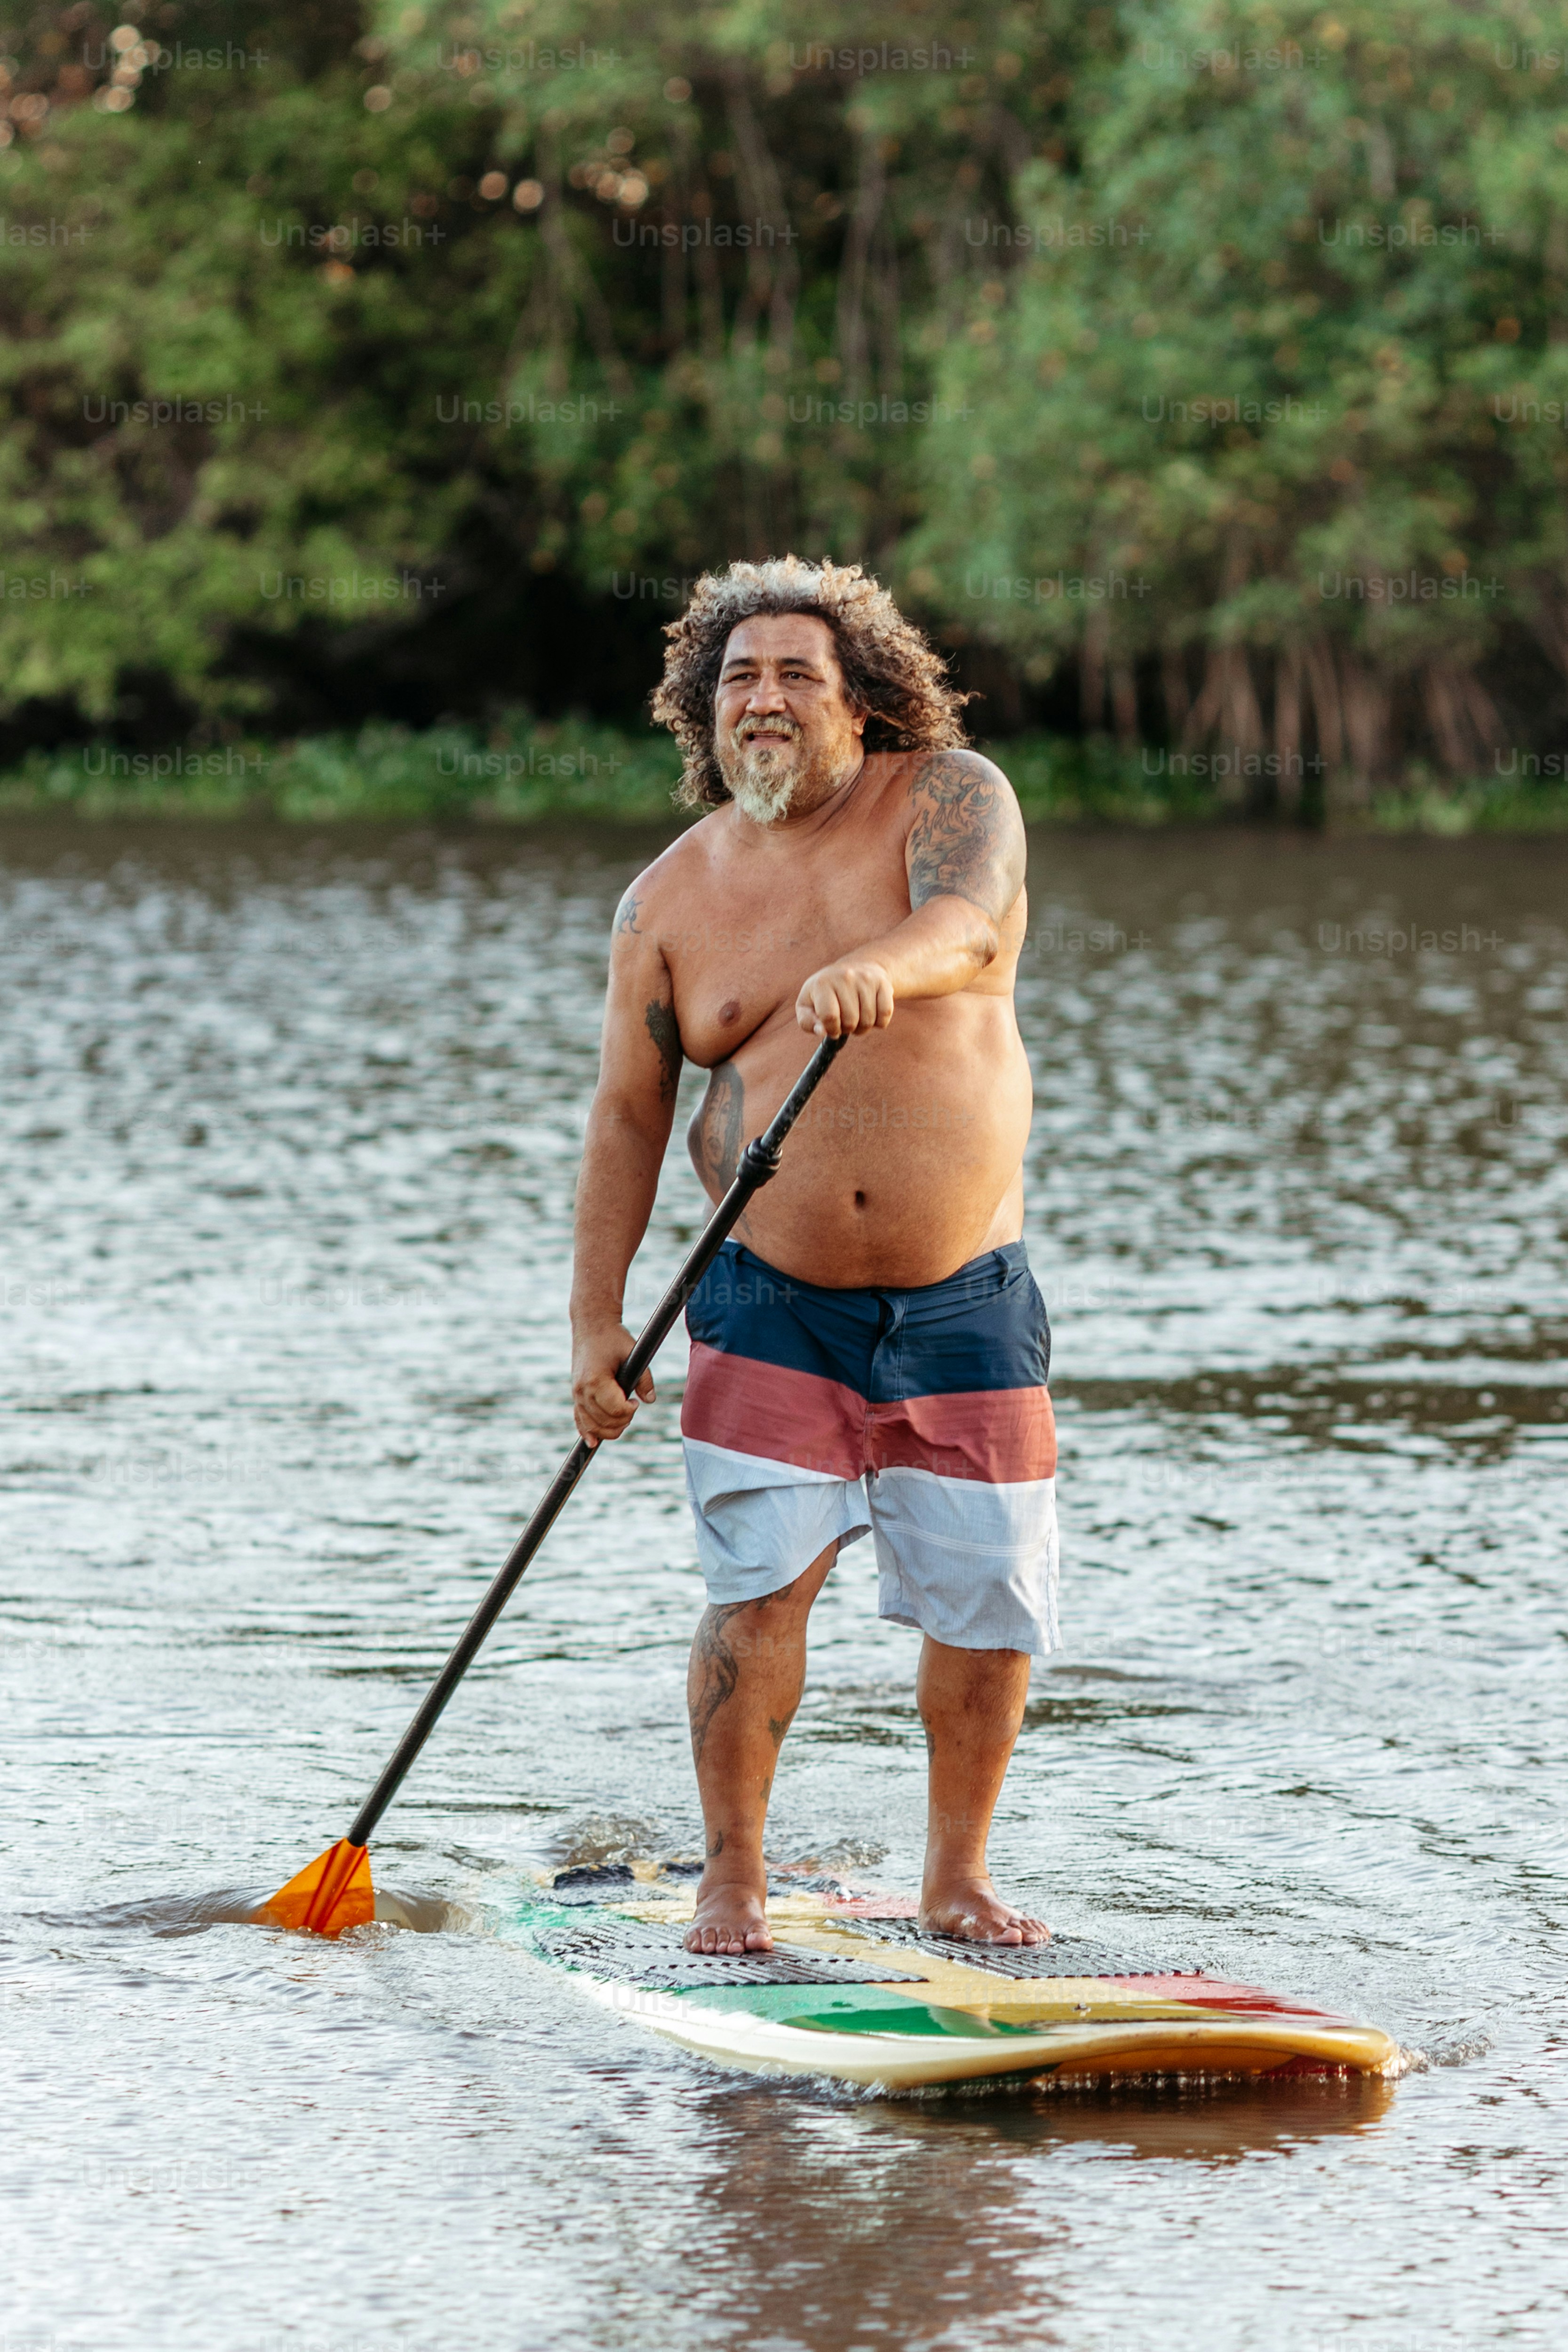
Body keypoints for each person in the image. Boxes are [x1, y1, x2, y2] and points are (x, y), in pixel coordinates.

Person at [569, 556, 1057, 1955]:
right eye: (739, 678)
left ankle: (955, 1878)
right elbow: (626, 1114)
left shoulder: (950, 795)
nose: (765, 699)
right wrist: (594, 1326)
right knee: (755, 1589)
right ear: (702, 711)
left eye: (797, 674)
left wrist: (881, 970)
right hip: (764, 1304)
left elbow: (964, 928)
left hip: (965, 1294)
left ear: (861, 704)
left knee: (981, 1596)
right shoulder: (663, 903)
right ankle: (733, 1878)